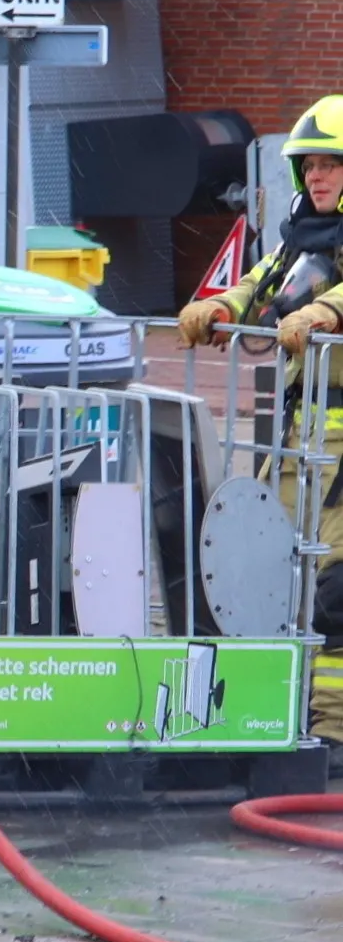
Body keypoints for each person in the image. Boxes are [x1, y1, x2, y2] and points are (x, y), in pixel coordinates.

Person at [178, 95, 343, 763]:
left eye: (332, 165)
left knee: (332, 586)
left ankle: (330, 731)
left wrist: (326, 311)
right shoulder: (299, 239)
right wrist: (217, 303)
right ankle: (285, 707)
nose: (317, 177)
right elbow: (258, 282)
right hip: (300, 441)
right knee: (277, 572)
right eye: (308, 166)